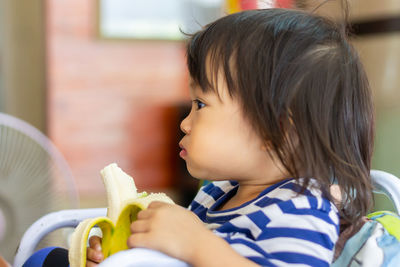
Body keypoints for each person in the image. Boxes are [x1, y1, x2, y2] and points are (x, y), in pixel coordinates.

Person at [24, 7, 374, 267]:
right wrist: (124, 252)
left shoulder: (300, 207)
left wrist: (196, 243)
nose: (185, 123)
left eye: (200, 104)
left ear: (277, 128)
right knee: (47, 258)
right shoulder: (216, 195)